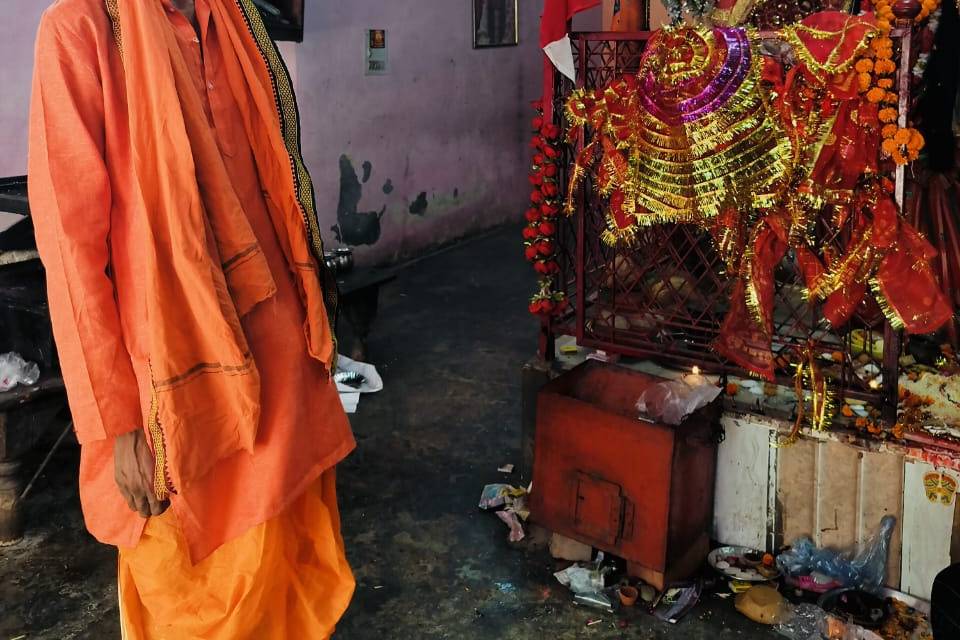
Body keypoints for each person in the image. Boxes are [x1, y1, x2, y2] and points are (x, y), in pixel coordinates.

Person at [28, 0, 356, 637]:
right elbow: (72, 252)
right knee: (189, 594)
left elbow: (275, 188)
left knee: (286, 578)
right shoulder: (80, 28)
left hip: (281, 364)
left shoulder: (232, 19)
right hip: (174, 387)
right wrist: (117, 425)